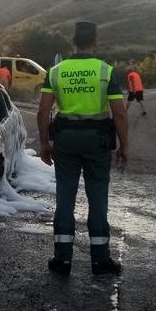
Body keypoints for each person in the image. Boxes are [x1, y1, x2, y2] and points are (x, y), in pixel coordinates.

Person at [37, 20, 128, 276]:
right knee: (97, 198)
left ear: (73, 42)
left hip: (65, 139)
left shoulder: (55, 71)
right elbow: (119, 114)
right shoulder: (106, 71)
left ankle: (62, 259)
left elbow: (43, 110)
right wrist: (124, 147)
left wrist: (44, 143)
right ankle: (100, 261)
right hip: (97, 140)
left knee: (65, 197)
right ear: (95, 42)